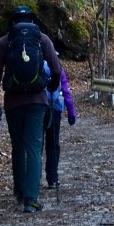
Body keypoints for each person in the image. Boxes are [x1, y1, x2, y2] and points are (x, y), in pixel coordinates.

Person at [0, 5, 62, 213]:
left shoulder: (5, 41)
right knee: (34, 147)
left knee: (18, 147)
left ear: (12, 21)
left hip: (13, 101)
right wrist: (52, 88)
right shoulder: (42, 38)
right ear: (32, 20)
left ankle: (20, 192)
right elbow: (56, 68)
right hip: (37, 101)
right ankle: (31, 199)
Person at [44, 60, 77, 190]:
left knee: (37, 146)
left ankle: (34, 179)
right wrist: (71, 112)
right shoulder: (56, 66)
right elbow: (65, 91)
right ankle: (52, 178)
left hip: (38, 108)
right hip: (54, 109)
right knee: (53, 144)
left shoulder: (37, 63)